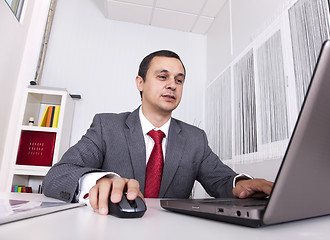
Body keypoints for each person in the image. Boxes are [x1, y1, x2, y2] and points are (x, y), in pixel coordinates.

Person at [43, 50, 273, 215]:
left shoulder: (195, 138)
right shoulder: (106, 126)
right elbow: (58, 174)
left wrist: (240, 183)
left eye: (179, 80)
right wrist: (101, 180)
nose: (172, 85)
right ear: (140, 83)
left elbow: (221, 179)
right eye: (163, 77)